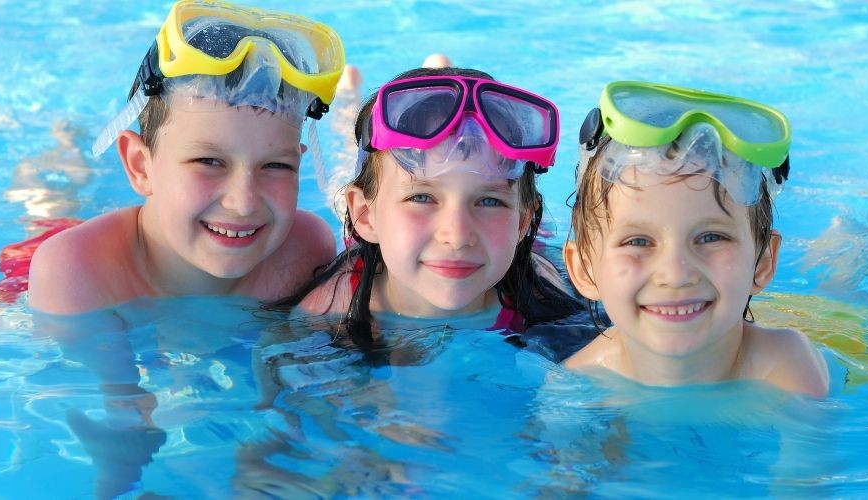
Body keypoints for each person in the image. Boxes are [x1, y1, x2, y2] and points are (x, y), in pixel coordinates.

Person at [28, 0, 345, 315]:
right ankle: (60, 168)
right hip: (32, 274)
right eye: (208, 161)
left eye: (276, 165)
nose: (244, 203)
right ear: (140, 166)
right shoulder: (79, 272)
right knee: (50, 217)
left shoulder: (305, 252)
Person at [274, 65, 584, 350]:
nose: (457, 235)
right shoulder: (335, 305)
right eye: (421, 198)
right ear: (367, 215)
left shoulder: (540, 296)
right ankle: (347, 103)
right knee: (345, 167)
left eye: (490, 200)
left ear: (521, 223)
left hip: (520, 254)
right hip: (372, 251)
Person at [562, 81, 829, 397]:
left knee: (841, 290)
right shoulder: (578, 383)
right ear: (584, 269)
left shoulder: (784, 368)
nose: (675, 275)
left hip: (835, 332)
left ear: (763, 261)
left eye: (711, 237)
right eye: (637, 241)